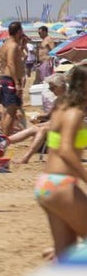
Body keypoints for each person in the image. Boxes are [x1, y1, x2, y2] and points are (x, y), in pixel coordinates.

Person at [34, 64, 87, 258]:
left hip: (46, 184)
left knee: (65, 252)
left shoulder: (60, 108)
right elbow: (65, 150)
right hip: (61, 184)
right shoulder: (75, 113)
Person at [0, 21, 27, 137]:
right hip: (11, 79)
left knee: (7, 110)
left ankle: (5, 137)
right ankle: (3, 138)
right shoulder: (12, 46)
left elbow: (16, 58)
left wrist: (22, 45)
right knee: (10, 111)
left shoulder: (6, 45)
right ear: (19, 31)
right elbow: (11, 63)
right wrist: (17, 83)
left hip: (5, 78)